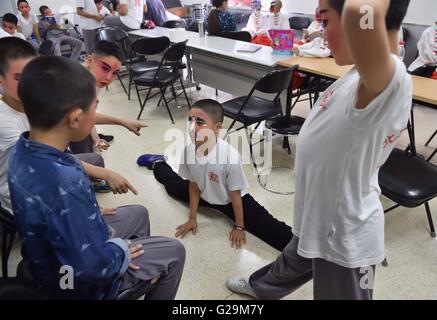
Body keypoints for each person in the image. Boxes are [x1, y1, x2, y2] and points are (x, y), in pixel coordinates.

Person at [227, 0, 412, 300]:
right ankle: (262, 288)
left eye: (325, 22)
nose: (322, 34)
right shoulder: (359, 76)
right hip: (318, 214)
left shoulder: (390, 80)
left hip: (344, 236)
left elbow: (358, 11)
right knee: (294, 259)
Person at [9, 55, 185, 299]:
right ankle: (123, 283)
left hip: (44, 260)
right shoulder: (68, 182)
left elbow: (52, 210)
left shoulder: (23, 148)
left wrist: (88, 213)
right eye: (95, 106)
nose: (96, 114)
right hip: (77, 285)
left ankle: (133, 273)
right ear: (75, 118)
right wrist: (120, 251)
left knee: (138, 213)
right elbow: (92, 268)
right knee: (174, 250)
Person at [137, 99, 293, 251]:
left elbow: (235, 195)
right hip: (204, 193)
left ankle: (307, 249)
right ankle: (157, 162)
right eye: (190, 120)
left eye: (200, 122)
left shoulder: (229, 157)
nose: (193, 127)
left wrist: (239, 226)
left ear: (217, 127)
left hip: (230, 200)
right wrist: (192, 218)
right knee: (172, 187)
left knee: (270, 229)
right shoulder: (188, 151)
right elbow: (193, 185)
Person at [0, 37, 134, 212]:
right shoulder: (6, 122)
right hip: (30, 202)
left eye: (33, 75)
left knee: (93, 159)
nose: (30, 83)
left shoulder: (30, 100)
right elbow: (46, 163)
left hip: (45, 178)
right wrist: (91, 209)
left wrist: (120, 123)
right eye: (19, 78)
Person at [69, 41, 147, 155]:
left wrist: (95, 139)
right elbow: (85, 117)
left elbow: (87, 115)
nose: (109, 78)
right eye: (105, 69)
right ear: (90, 61)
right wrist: (123, 122)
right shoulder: (75, 83)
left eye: (115, 72)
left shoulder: (93, 80)